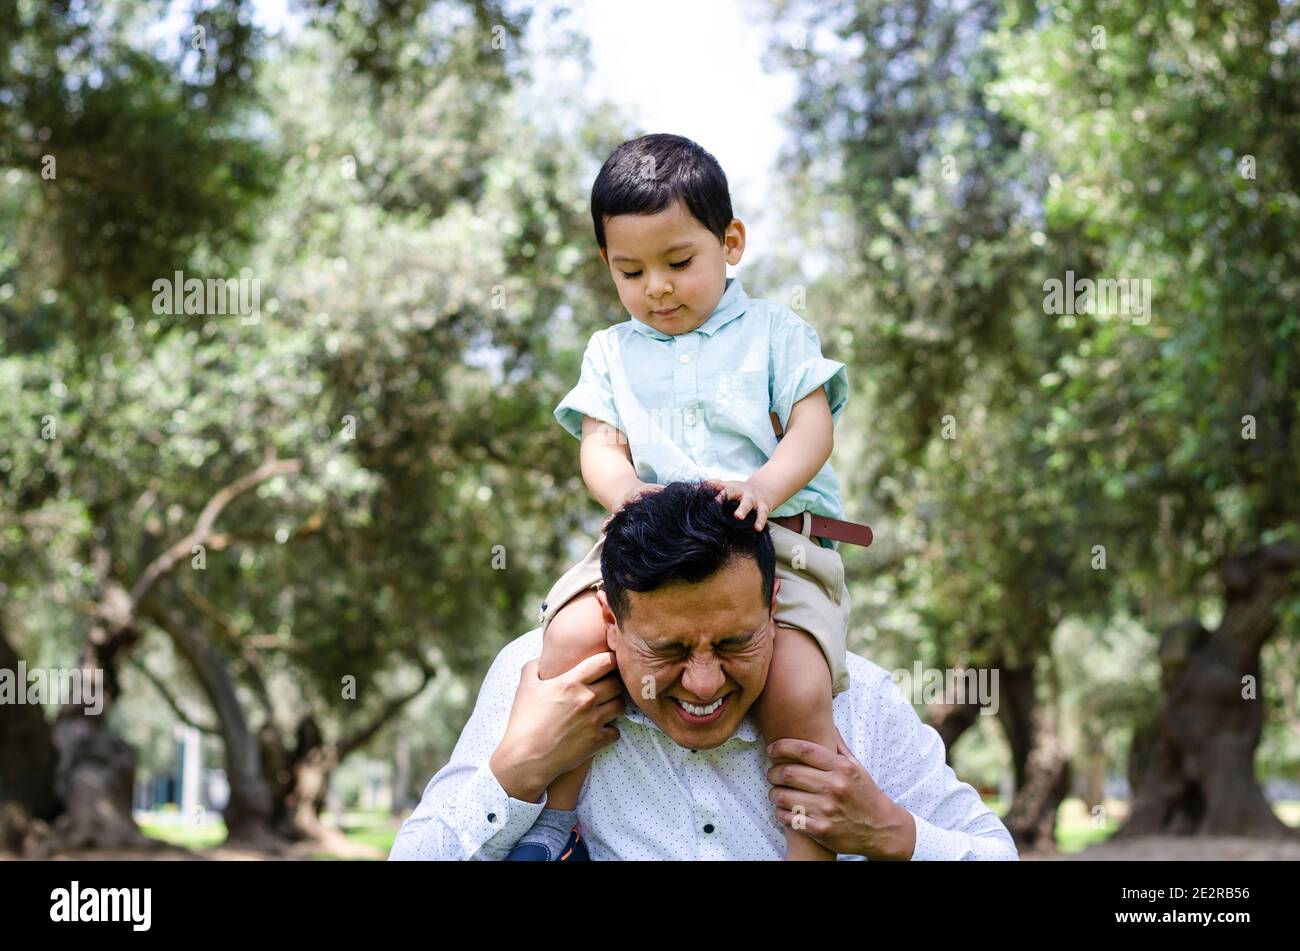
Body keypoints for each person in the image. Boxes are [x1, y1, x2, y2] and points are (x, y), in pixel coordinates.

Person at [516, 132, 872, 860]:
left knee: (798, 682)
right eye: (631, 270)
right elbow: (599, 444)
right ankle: (557, 820)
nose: (658, 288)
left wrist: (763, 486)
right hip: (651, 550)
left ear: (730, 242)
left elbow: (813, 426)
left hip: (776, 544)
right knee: (567, 638)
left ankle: (810, 848)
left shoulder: (775, 330)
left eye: (679, 262)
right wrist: (625, 492)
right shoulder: (610, 351)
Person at [388, 483, 1018, 861]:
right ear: (609, 618)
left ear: (774, 606)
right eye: (667, 651)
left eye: (736, 642)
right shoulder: (542, 685)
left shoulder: (857, 703)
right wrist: (517, 771)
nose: (705, 682)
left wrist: (892, 832)